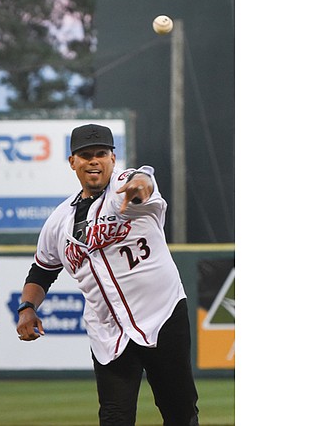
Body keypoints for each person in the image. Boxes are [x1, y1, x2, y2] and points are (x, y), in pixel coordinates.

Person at [16, 123, 199, 426]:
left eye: (101, 153)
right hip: (107, 330)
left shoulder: (123, 188)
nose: (94, 161)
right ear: (72, 162)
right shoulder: (58, 221)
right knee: (114, 417)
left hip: (162, 314)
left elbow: (142, 179)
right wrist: (27, 308)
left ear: (113, 158)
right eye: (85, 155)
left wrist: (142, 183)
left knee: (179, 411)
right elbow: (42, 271)